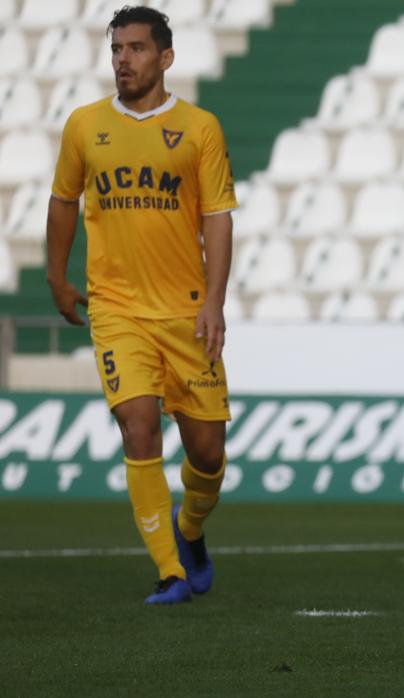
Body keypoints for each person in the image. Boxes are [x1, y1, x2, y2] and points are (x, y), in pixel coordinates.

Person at [46, 6, 237, 605]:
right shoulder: (84, 126)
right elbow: (62, 201)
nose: (122, 59)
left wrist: (214, 302)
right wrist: (57, 276)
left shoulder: (200, 128)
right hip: (117, 310)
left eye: (135, 48)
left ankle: (189, 531)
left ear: (165, 57)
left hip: (186, 312)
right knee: (139, 425)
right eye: (116, 49)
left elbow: (217, 218)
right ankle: (170, 572)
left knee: (207, 454)